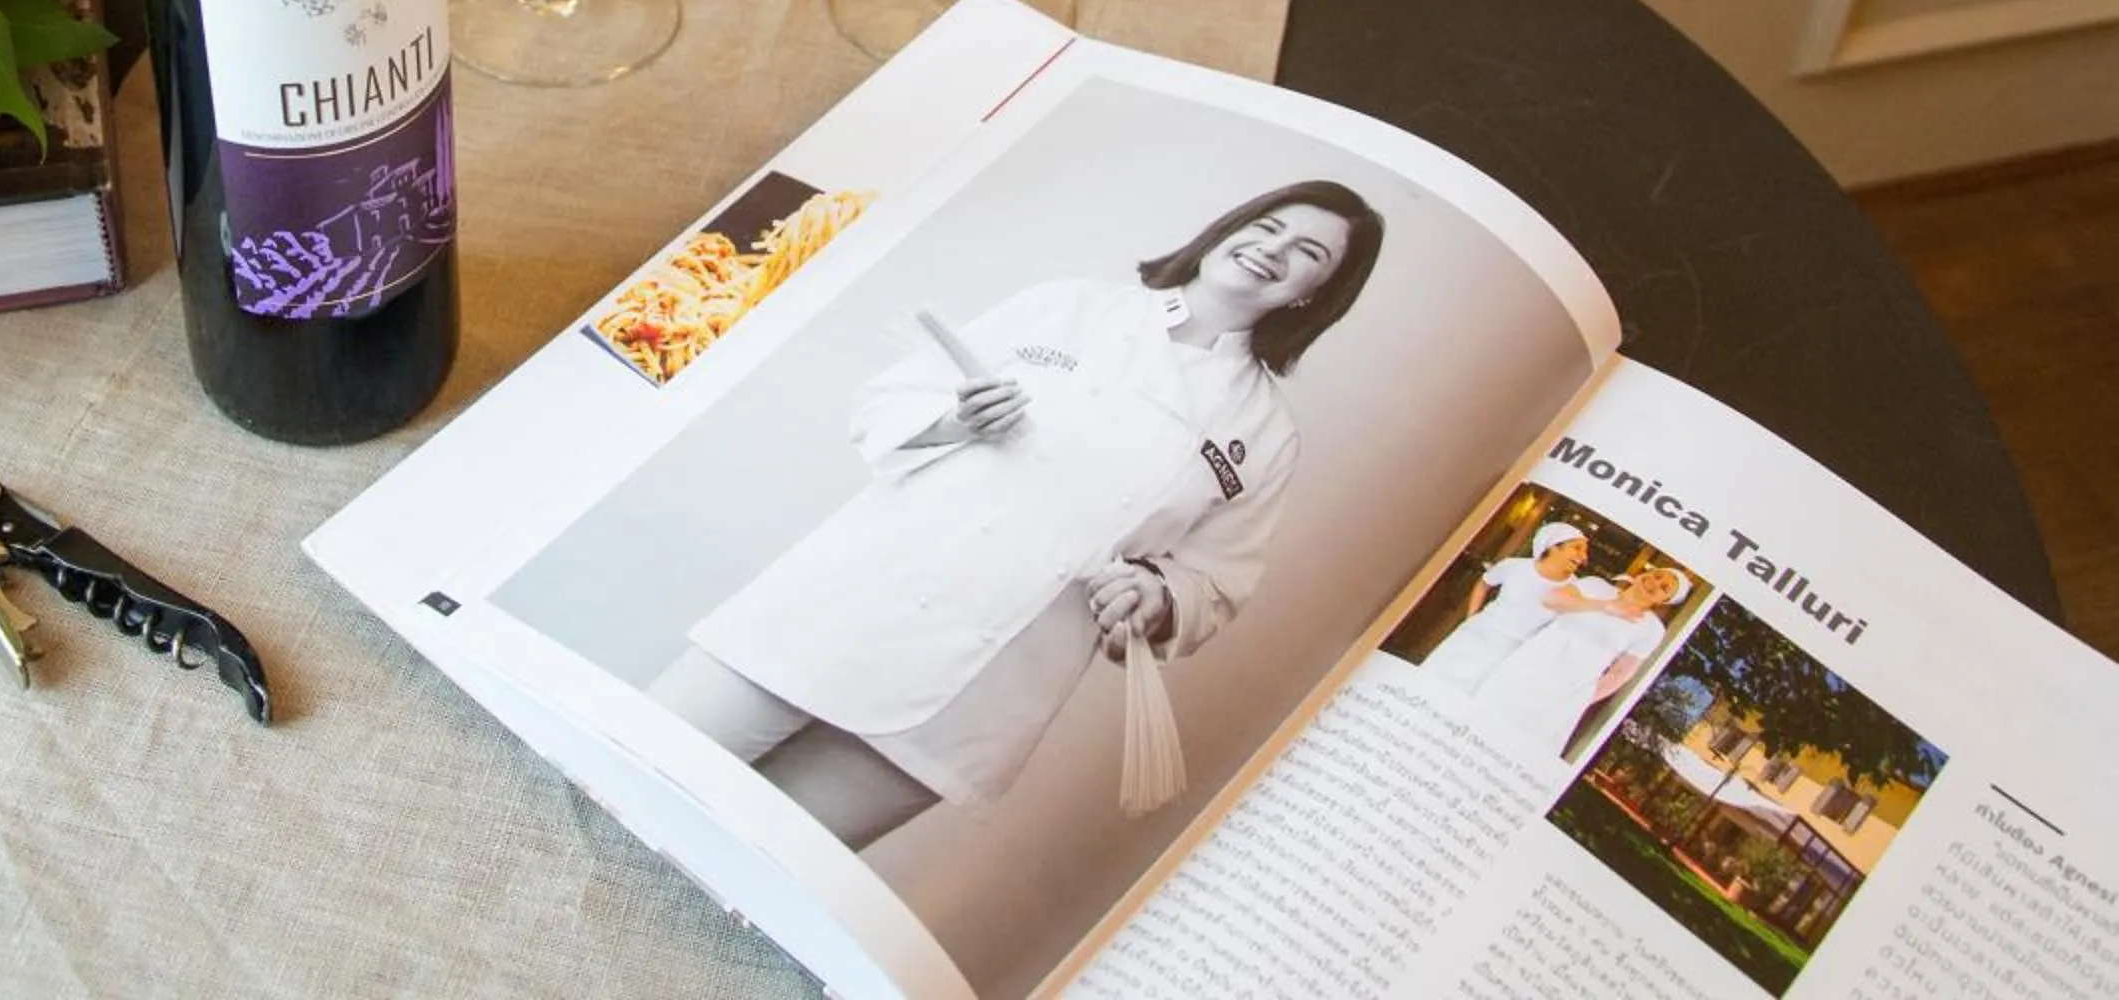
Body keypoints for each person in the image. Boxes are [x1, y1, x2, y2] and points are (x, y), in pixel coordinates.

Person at [647, 181, 1387, 848]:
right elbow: (886, 400)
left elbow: (1217, 582)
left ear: (1314, 295)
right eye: (1269, 225)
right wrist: (957, 421)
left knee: (754, 865)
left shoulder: (1263, 430)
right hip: (843, 608)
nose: (1273, 250)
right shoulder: (1070, 307)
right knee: (630, 771)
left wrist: (1156, 596)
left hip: (984, 688)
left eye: (1308, 253)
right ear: (1231, 224)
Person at [1469, 563, 1692, 758]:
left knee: (1518, 746)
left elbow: (1620, 674)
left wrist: (1581, 700)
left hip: (1568, 689)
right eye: (1658, 575)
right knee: (1482, 719)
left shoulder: (1651, 629)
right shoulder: (1596, 586)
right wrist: (1605, 606)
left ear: (1666, 601)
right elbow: (1552, 598)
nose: (1655, 583)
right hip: (1531, 664)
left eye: (1665, 588)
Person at [1420, 521, 1594, 692]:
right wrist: (1471, 618)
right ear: (1553, 546)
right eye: (1577, 548)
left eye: (1585, 551)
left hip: (1509, 652)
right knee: (1430, 679)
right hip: (1476, 634)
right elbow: (1484, 583)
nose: (1583, 557)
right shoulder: (1515, 566)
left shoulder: (1574, 590)